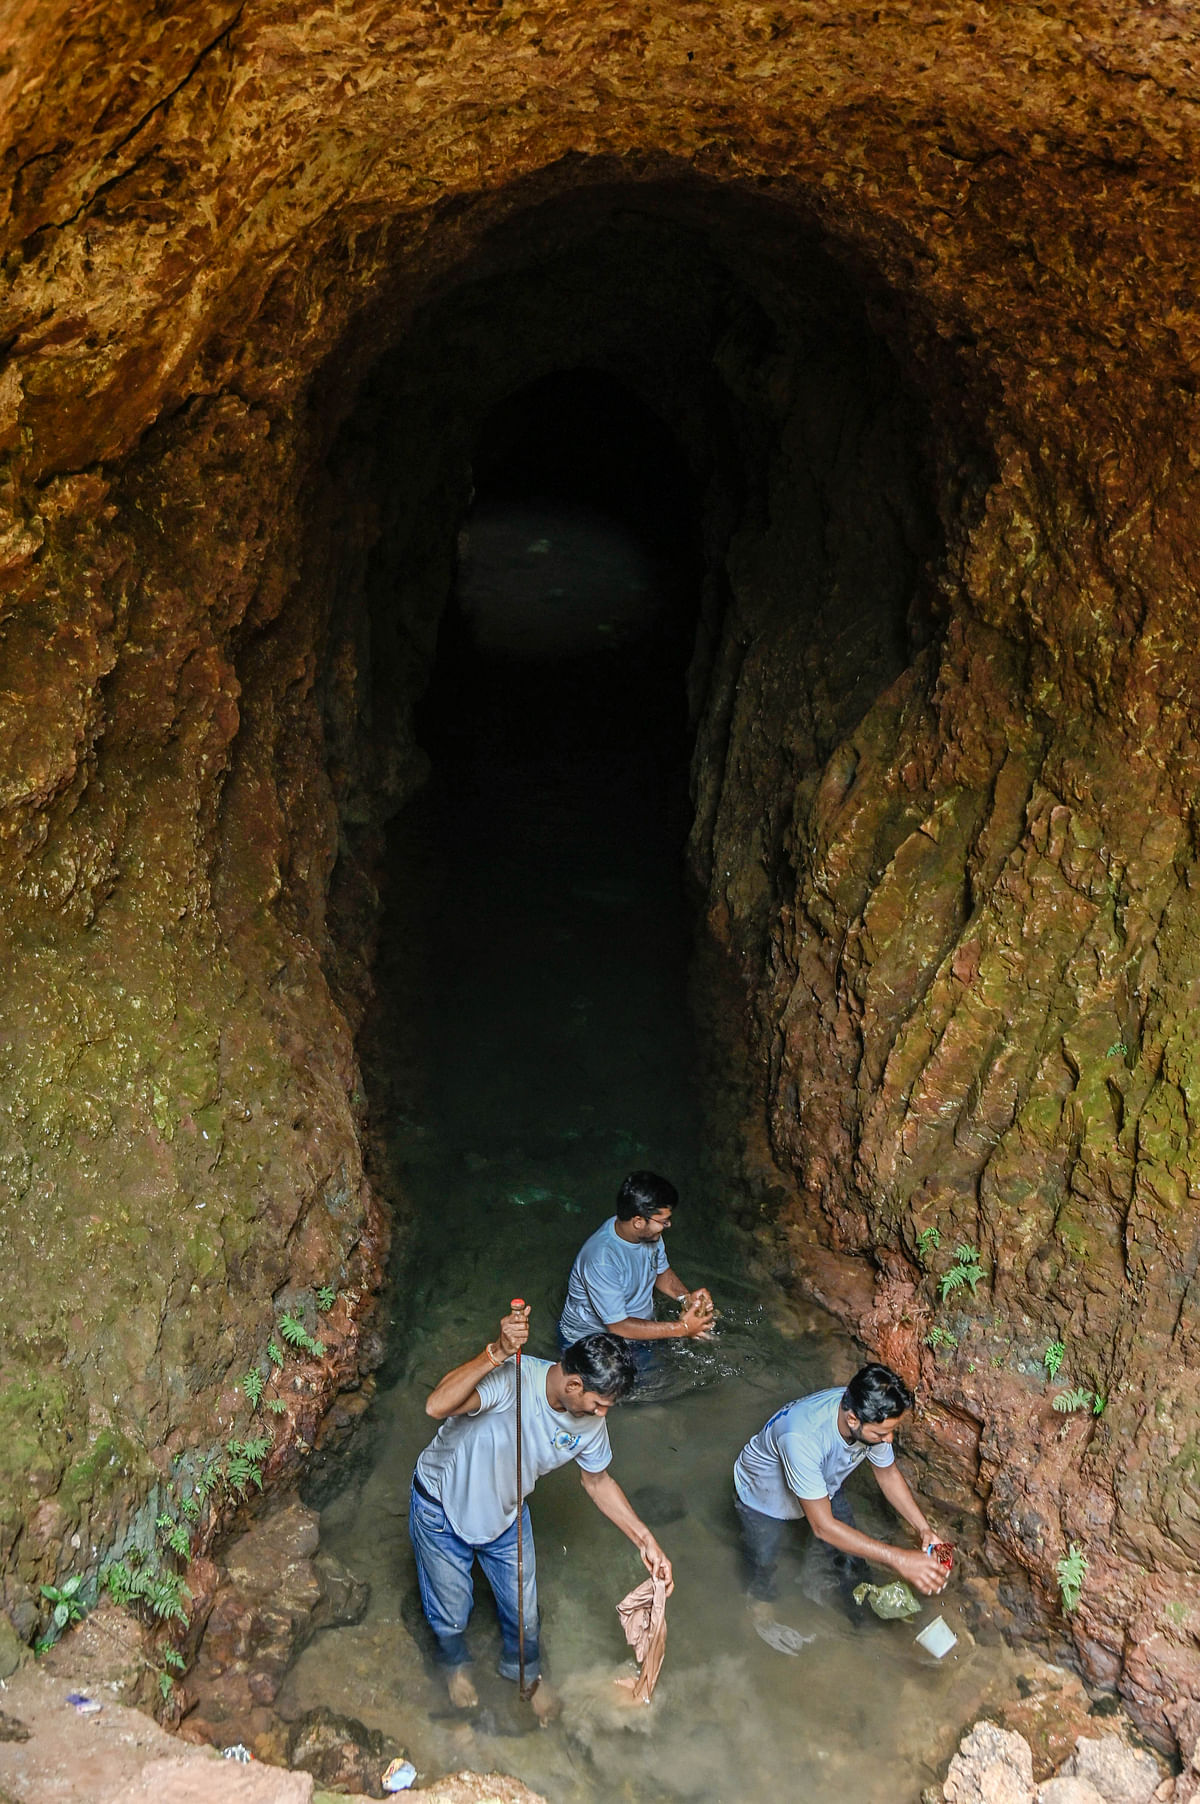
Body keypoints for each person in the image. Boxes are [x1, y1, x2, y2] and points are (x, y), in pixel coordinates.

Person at [409, 1303, 674, 1721]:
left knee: (524, 1614)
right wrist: (495, 1351)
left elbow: (598, 1481)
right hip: (441, 1508)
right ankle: (455, 1668)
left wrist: (647, 1541)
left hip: (506, 1513)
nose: (602, 1414)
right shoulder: (513, 1378)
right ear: (572, 1384)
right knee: (450, 1610)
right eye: (599, 1403)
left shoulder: (588, 1420)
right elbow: (436, 1406)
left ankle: (526, 1675)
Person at [733, 1363, 948, 1641]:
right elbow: (823, 1527)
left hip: (822, 1486)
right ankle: (759, 1609)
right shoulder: (802, 1437)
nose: (889, 1439)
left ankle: (863, 1623)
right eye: (882, 1435)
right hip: (762, 1497)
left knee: (853, 1559)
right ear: (853, 1420)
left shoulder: (868, 1409)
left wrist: (923, 1529)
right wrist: (899, 1559)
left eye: (891, 1431)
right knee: (764, 1559)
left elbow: (887, 1474)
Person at [557, 1170, 715, 1351]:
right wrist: (683, 1328)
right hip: (591, 1345)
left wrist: (686, 1299)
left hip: (636, 1332)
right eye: (664, 1221)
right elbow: (618, 1326)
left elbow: (660, 1271)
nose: (668, 1225)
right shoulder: (601, 1260)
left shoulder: (649, 1234)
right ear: (638, 1221)